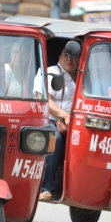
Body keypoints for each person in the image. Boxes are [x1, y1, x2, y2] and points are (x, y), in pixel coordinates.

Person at [34, 42, 79, 201]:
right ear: (59, 57)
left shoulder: (84, 77)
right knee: (56, 139)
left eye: (74, 55)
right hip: (50, 120)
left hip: (76, 124)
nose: (69, 58)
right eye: (65, 54)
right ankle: (46, 188)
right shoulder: (51, 72)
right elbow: (46, 100)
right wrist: (65, 117)